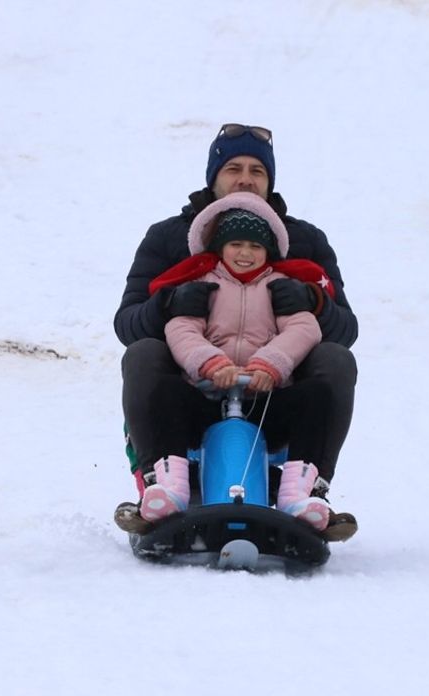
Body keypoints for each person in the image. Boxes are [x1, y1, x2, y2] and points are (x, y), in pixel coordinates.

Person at [113, 123, 359, 540]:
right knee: (142, 354)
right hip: (192, 393)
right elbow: (128, 324)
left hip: (275, 394)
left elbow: (345, 329)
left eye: (257, 171)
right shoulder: (168, 238)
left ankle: (308, 491)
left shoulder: (304, 242)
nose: (245, 178)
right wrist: (168, 305)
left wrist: (313, 303)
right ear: (213, 177)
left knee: (336, 360)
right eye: (233, 168)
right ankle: (161, 486)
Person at [135, 192, 336, 531]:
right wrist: (210, 363)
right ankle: (170, 489)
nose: (245, 254)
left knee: (316, 397)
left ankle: (297, 495)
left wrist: (269, 364)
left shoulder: (279, 287)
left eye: (255, 247)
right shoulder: (202, 284)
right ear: (221, 248)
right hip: (207, 395)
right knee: (165, 392)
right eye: (237, 244)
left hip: (263, 397)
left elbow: (304, 327)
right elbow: (181, 328)